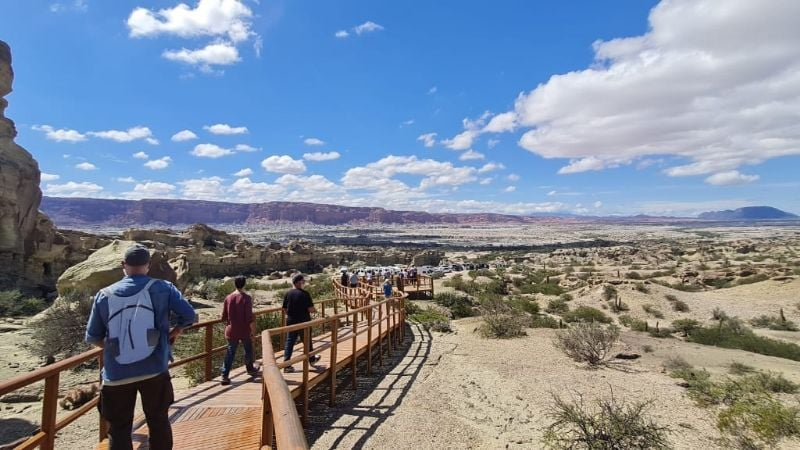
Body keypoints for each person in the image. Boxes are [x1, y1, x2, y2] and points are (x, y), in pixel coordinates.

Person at [85, 244, 196, 450]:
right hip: (155, 369)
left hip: (116, 374)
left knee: (119, 428)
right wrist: (175, 332)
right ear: (149, 265)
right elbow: (189, 315)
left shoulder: (104, 295)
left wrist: (114, 350)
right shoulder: (163, 287)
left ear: (123, 265)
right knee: (159, 421)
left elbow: (93, 336)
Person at [220, 275, 260, 385]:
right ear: (244, 284)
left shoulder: (228, 298)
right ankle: (250, 368)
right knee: (248, 350)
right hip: (244, 330)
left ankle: (224, 375)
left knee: (230, 352)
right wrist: (253, 331)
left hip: (231, 329)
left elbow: (223, 316)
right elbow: (249, 318)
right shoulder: (246, 298)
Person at [282, 273, 319, 372]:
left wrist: (291, 315)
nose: (304, 283)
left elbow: (284, 308)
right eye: (303, 281)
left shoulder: (288, 293)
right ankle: (311, 360)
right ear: (298, 282)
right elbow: (310, 309)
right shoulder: (305, 294)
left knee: (289, 342)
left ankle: (286, 364)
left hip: (291, 321)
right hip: (304, 322)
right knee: (307, 341)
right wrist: (315, 311)